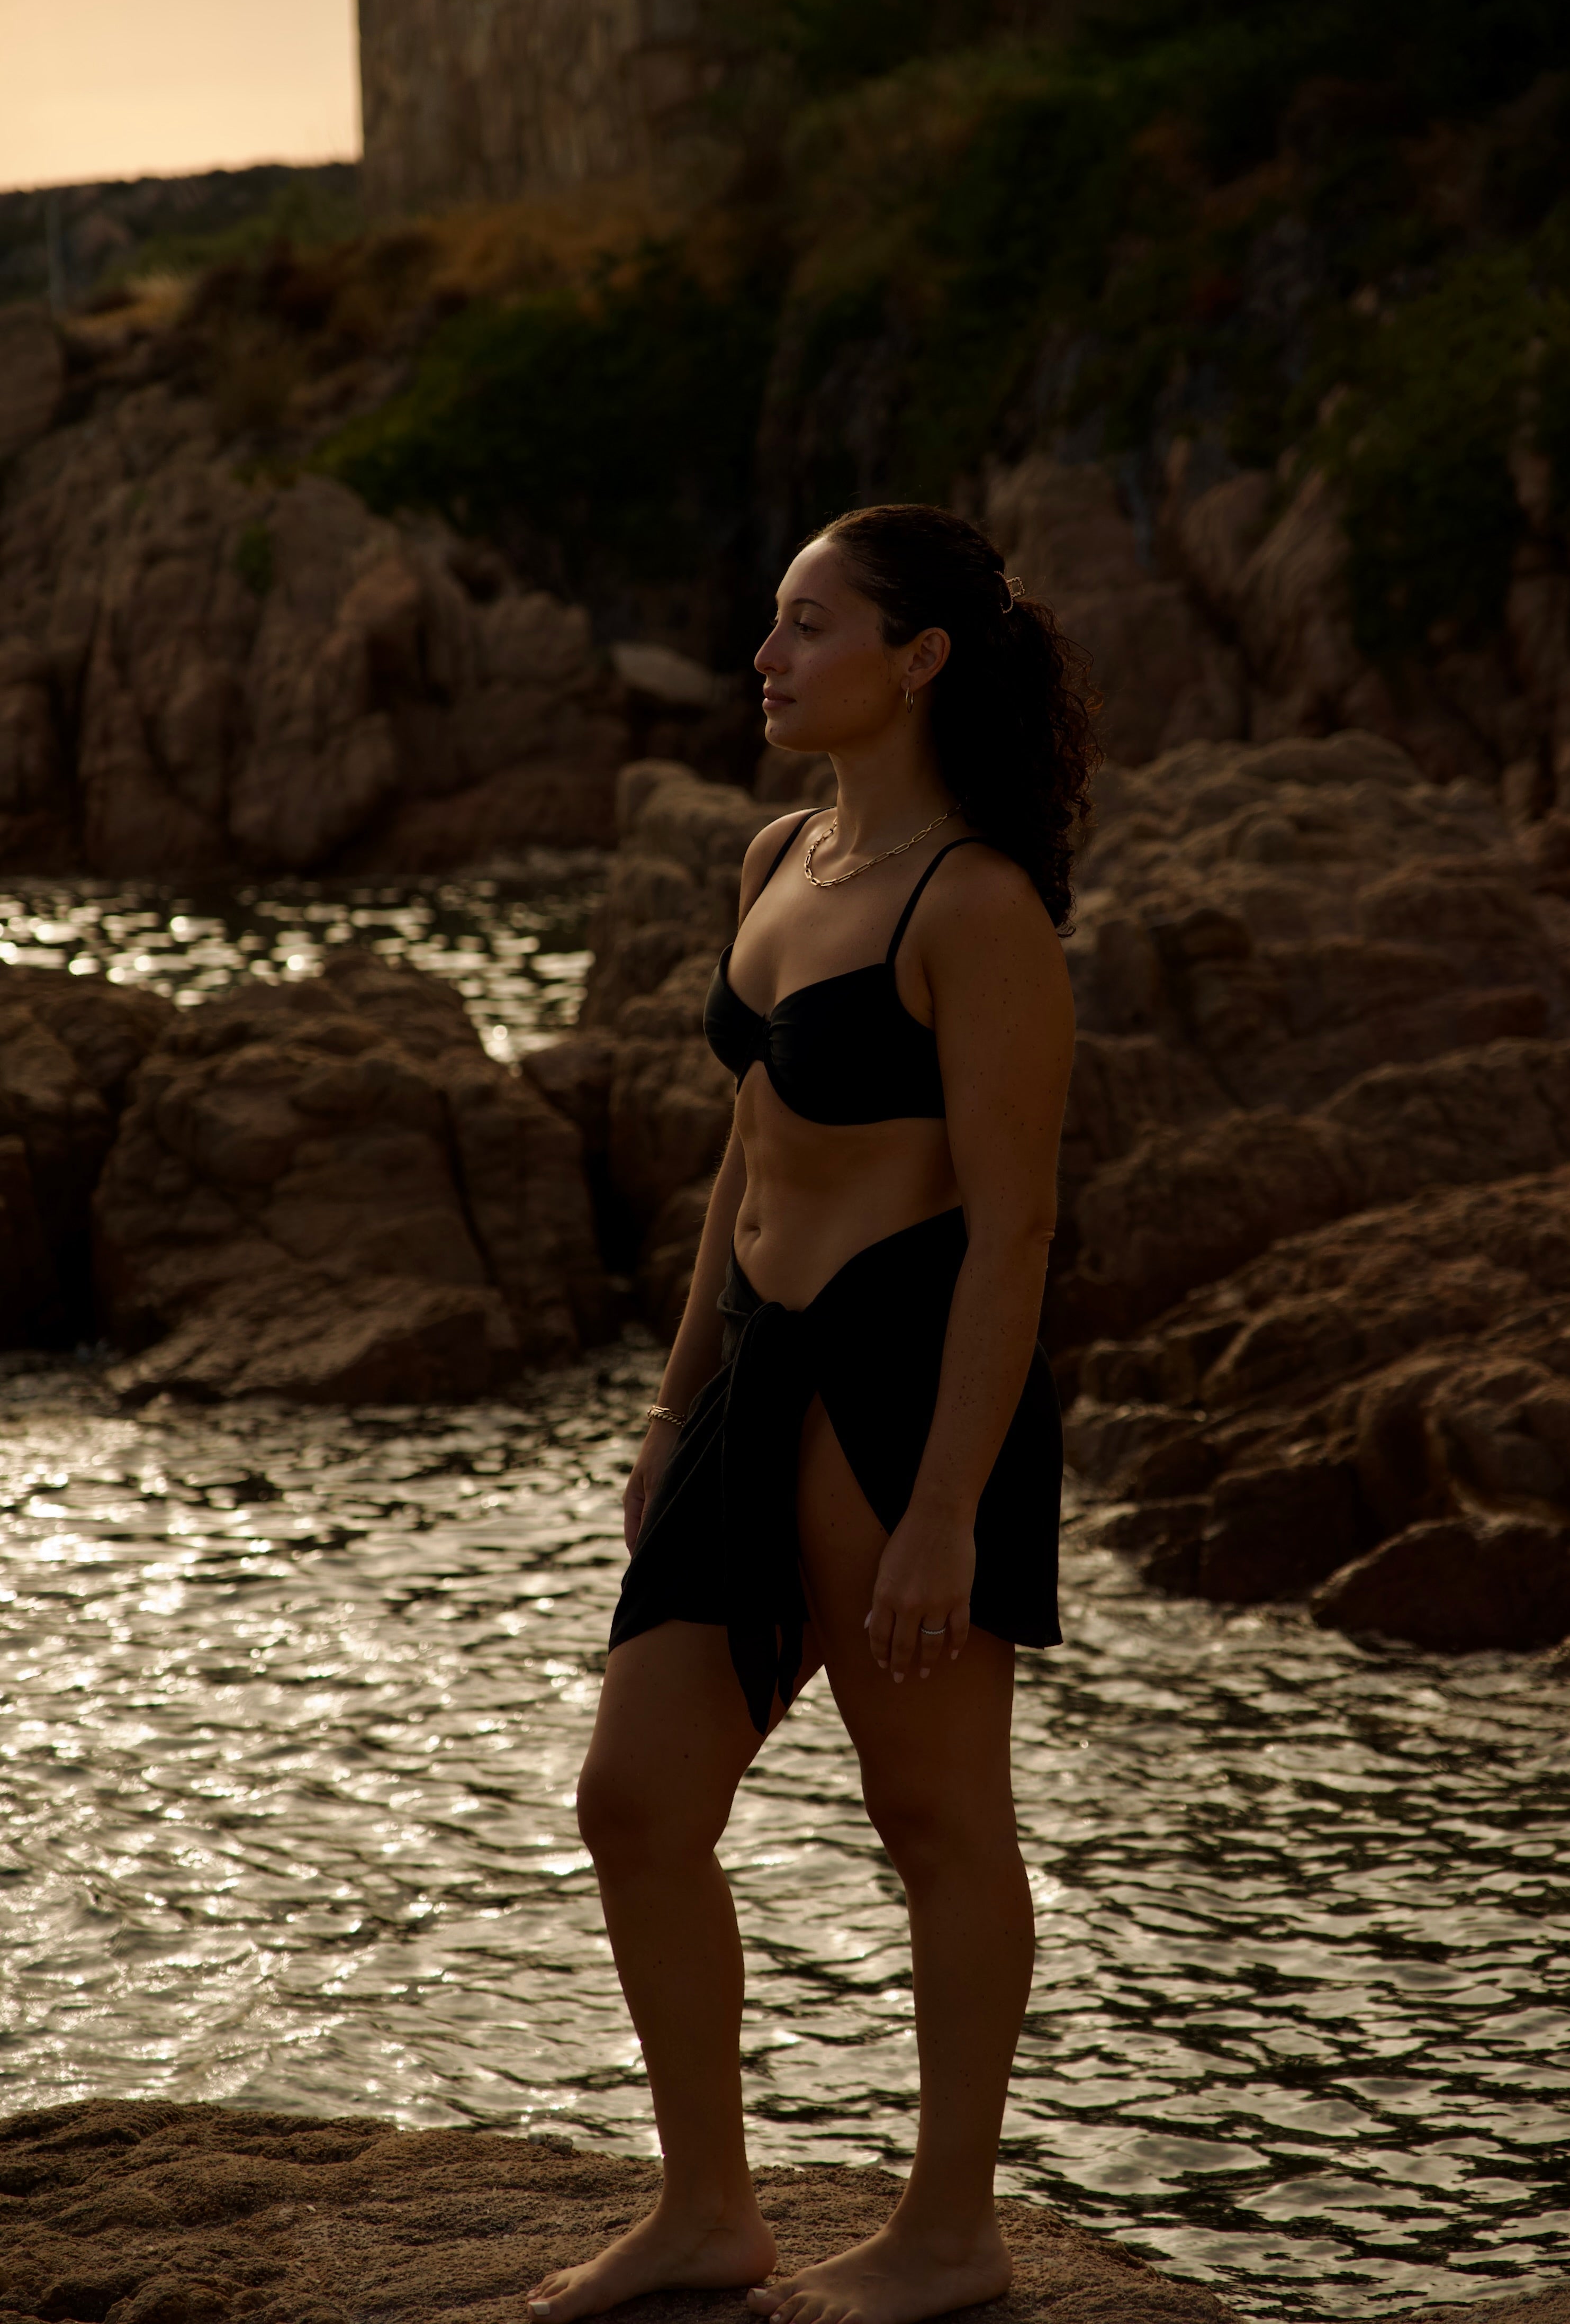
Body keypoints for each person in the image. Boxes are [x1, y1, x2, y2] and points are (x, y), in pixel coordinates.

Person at [526, 503, 1094, 2324]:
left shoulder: (980, 904)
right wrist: (674, 1404)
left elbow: (1015, 1235)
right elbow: (743, 1156)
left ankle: (951, 2233)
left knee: (935, 1821)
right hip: (754, 1366)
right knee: (634, 1801)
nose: (769, 656)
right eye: (771, 624)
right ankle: (709, 2210)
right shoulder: (780, 850)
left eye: (809, 624)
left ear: (919, 658)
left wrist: (946, 1510)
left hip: (905, 1380)